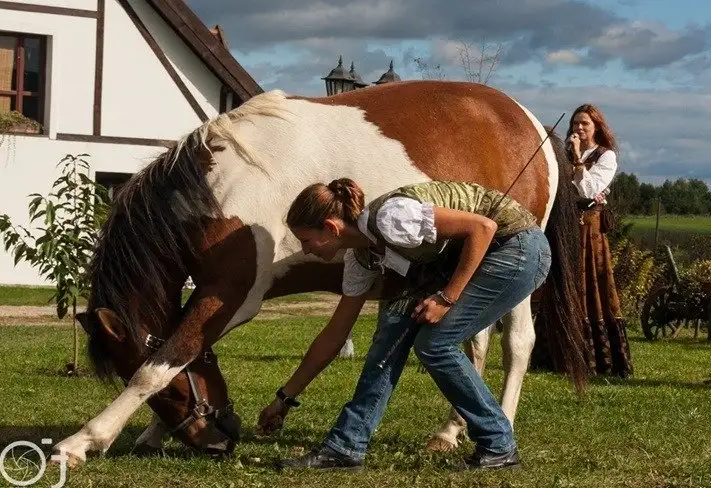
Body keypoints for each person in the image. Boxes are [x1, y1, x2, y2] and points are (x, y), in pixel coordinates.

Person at [256, 178, 552, 470]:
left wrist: (447, 298)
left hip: (518, 248)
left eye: (306, 240)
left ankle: (498, 444)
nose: (306, 250)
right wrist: (284, 398)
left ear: (332, 228)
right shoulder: (361, 259)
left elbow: (483, 227)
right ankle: (345, 447)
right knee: (389, 337)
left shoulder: (391, 218)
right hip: (474, 257)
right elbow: (334, 335)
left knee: (435, 344)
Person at [567, 104, 633, 378]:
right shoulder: (564, 154)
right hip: (567, 225)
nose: (579, 128)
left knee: (591, 282)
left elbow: (589, 190)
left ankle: (597, 357)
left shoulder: (606, 156)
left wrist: (577, 159)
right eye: (575, 123)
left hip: (590, 228)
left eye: (585, 123)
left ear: (596, 127)